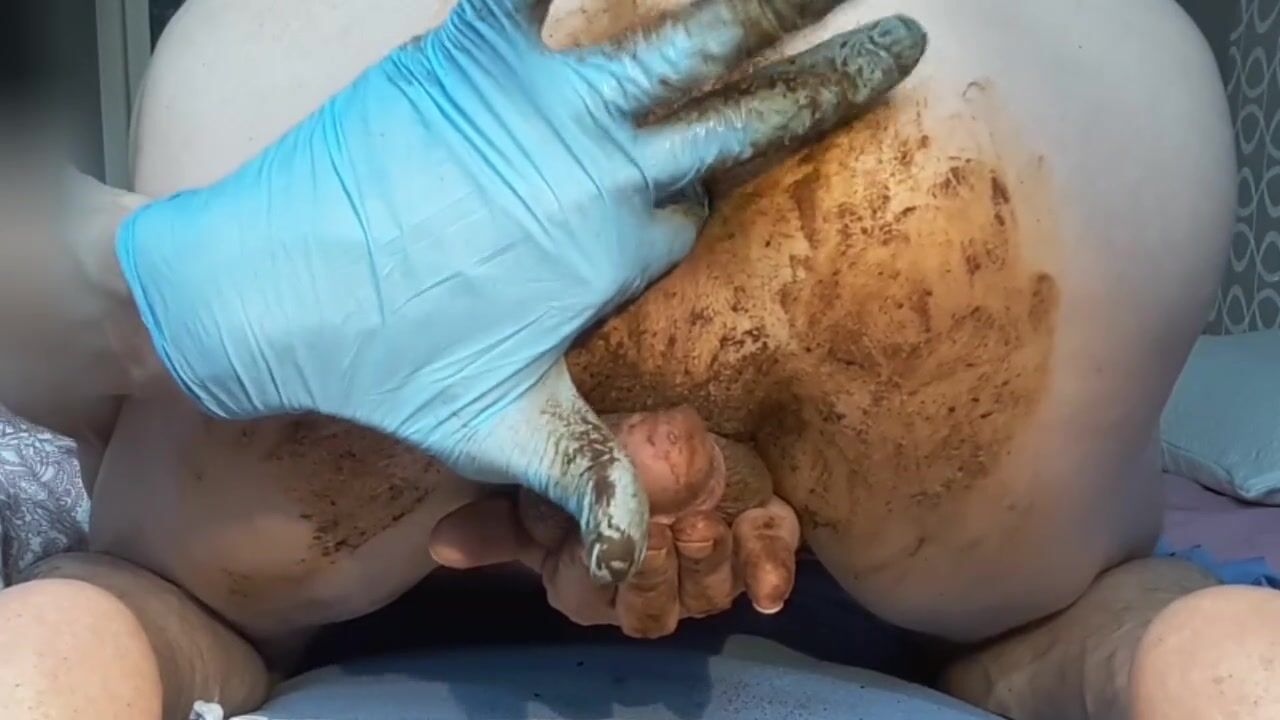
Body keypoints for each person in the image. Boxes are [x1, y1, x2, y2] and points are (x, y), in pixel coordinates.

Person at [3, 1, 1279, 720]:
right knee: (1103, 609)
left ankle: (54, 656)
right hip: (962, 89)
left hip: (355, 92)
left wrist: (148, 289)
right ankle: (1216, 664)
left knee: (135, 600)